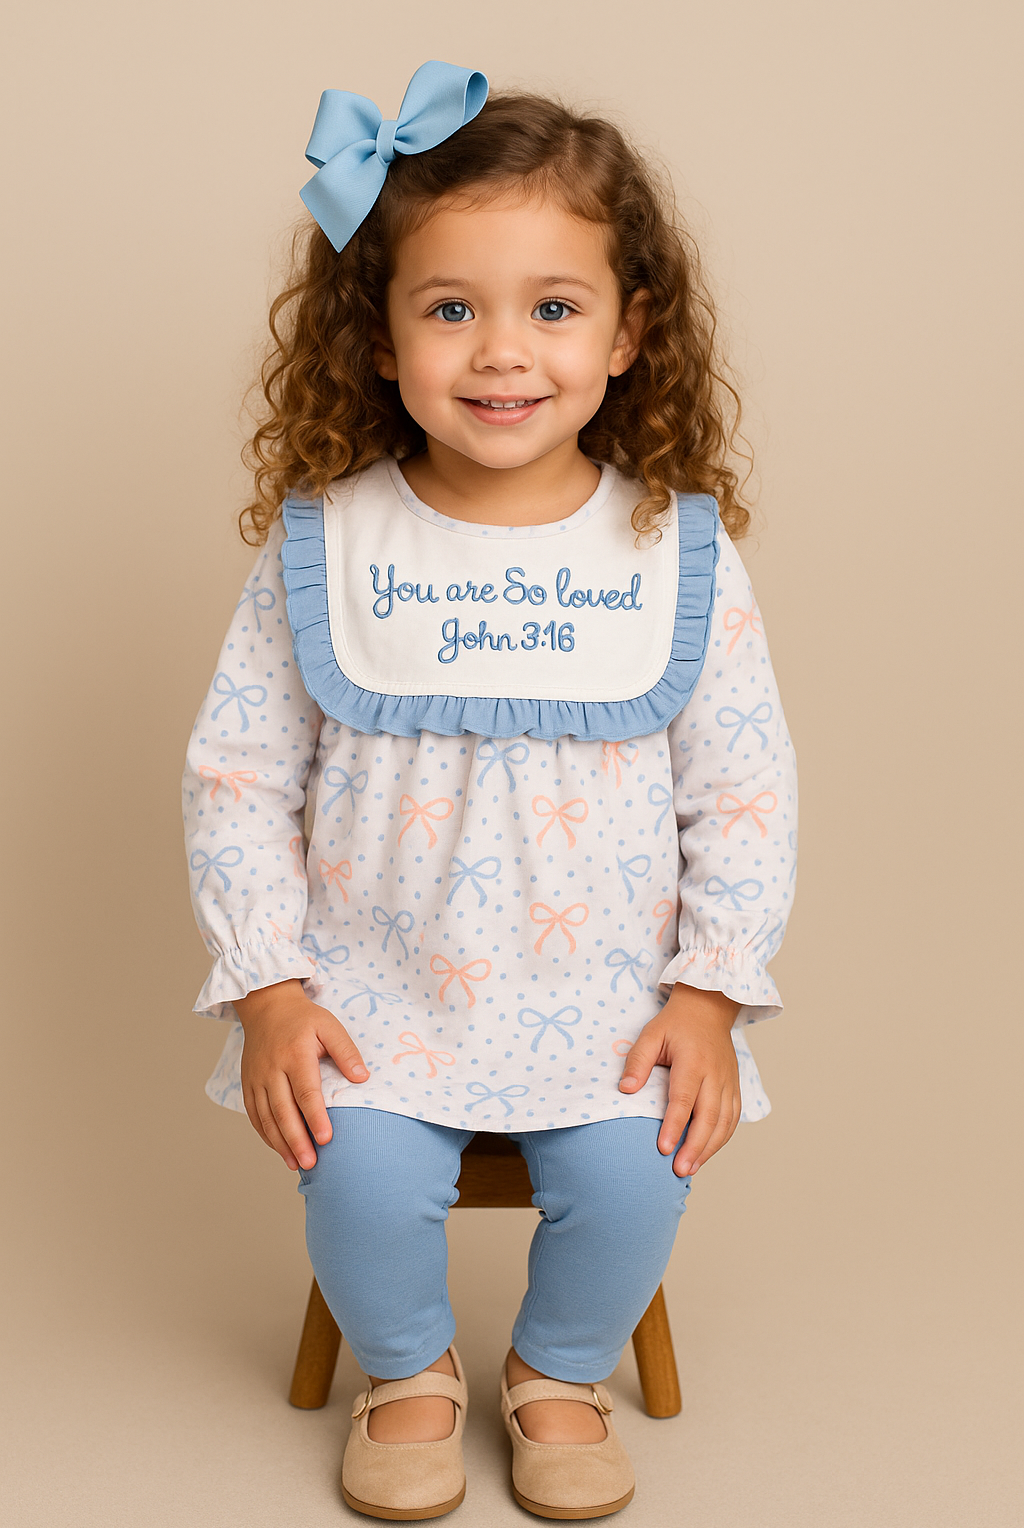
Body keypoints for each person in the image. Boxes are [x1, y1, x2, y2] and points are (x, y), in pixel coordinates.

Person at [182, 60, 798, 1522]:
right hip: (373, 991)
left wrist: (708, 993)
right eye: (450, 307)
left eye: (554, 307)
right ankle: (405, 1372)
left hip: (606, 998)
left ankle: (559, 1371)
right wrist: (271, 986)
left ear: (630, 332)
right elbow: (238, 775)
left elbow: (747, 793)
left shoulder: (672, 554)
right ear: (378, 340)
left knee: (643, 1173)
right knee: (352, 1169)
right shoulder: (328, 547)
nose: (501, 351)